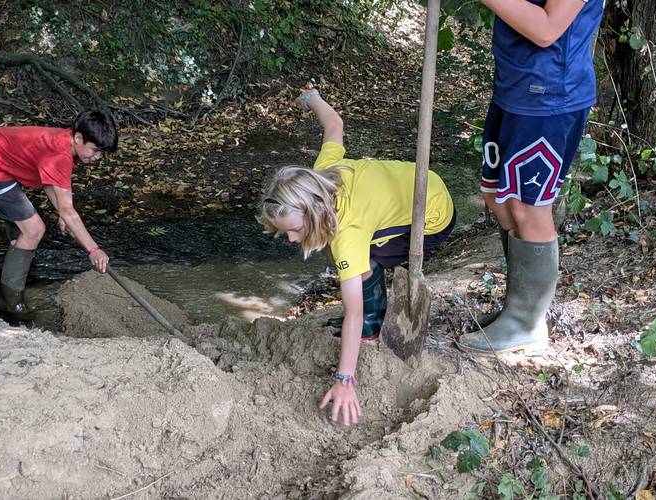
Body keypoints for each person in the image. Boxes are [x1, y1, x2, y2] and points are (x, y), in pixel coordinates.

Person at [259, 89, 455, 426]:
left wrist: (345, 378)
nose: (291, 239)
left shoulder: (348, 233)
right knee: (339, 251)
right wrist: (312, 99)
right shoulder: (324, 173)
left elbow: (352, 311)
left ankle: (373, 325)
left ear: (316, 209)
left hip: (432, 216)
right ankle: (371, 297)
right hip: (423, 184)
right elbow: (334, 124)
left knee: (351, 259)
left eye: (293, 229)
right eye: (284, 233)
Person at [457, 0, 605, 354]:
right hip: (514, 89)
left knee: (528, 207)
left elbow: (546, 29)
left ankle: (527, 324)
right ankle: (517, 304)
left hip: (551, 96)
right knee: (497, 195)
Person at [0, 109, 117, 319]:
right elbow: (68, 210)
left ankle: (18, 251)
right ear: (79, 137)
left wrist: (62, 213)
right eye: (95, 150)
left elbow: (50, 181)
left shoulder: (66, 143)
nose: (98, 157)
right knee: (34, 229)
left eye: (102, 153)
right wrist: (93, 249)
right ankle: (11, 301)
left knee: (28, 227)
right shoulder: (60, 154)